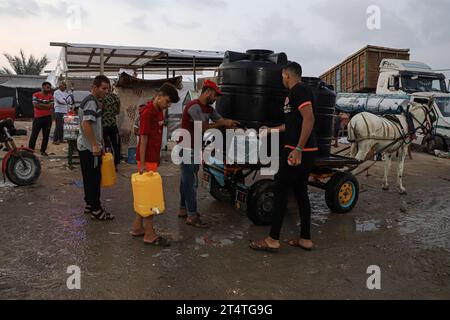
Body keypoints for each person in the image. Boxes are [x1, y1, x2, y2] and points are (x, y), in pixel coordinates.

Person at [250, 62, 319, 252]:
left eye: (282, 76)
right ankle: (305, 239)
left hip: (299, 152)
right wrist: (271, 129)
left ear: (287, 75)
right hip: (301, 150)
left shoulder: (300, 90)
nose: (282, 79)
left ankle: (272, 239)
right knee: (300, 193)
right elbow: (292, 124)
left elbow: (309, 118)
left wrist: (298, 149)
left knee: (280, 191)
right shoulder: (294, 94)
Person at [178, 80, 239, 228]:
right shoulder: (193, 107)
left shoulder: (208, 109)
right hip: (187, 148)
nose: (216, 99)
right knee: (191, 181)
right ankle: (192, 215)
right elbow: (204, 128)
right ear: (208, 92)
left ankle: (183, 209)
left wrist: (231, 122)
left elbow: (219, 119)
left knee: (186, 180)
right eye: (215, 95)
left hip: (194, 148)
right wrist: (223, 123)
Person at [131, 83, 180, 246]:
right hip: (146, 160)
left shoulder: (159, 111)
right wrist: (143, 164)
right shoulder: (148, 113)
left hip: (152, 158)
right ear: (159, 96)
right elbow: (143, 138)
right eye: (166, 101)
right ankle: (149, 234)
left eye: (169, 103)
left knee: (144, 195)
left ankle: (138, 227)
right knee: (149, 198)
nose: (167, 105)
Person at [78, 75, 114, 221]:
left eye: (108, 89)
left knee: (88, 177)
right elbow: (86, 124)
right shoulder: (91, 102)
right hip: (89, 148)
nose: (106, 91)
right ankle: (96, 209)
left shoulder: (91, 101)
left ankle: (89, 203)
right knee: (94, 178)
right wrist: (94, 144)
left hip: (86, 146)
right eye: (103, 88)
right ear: (95, 87)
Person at [29, 82, 54, 156]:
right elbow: (35, 105)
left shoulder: (50, 96)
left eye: (49, 87)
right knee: (34, 135)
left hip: (48, 118)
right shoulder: (36, 94)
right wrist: (46, 105)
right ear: (43, 87)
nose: (49, 89)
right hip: (38, 118)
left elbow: (51, 106)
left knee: (46, 136)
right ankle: (30, 151)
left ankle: (43, 151)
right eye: (47, 87)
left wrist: (41, 105)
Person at [102, 88, 121, 167]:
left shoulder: (102, 97)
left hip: (103, 125)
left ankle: (106, 163)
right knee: (115, 145)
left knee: (104, 145)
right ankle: (115, 163)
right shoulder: (116, 97)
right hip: (113, 124)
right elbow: (117, 112)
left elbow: (100, 110)